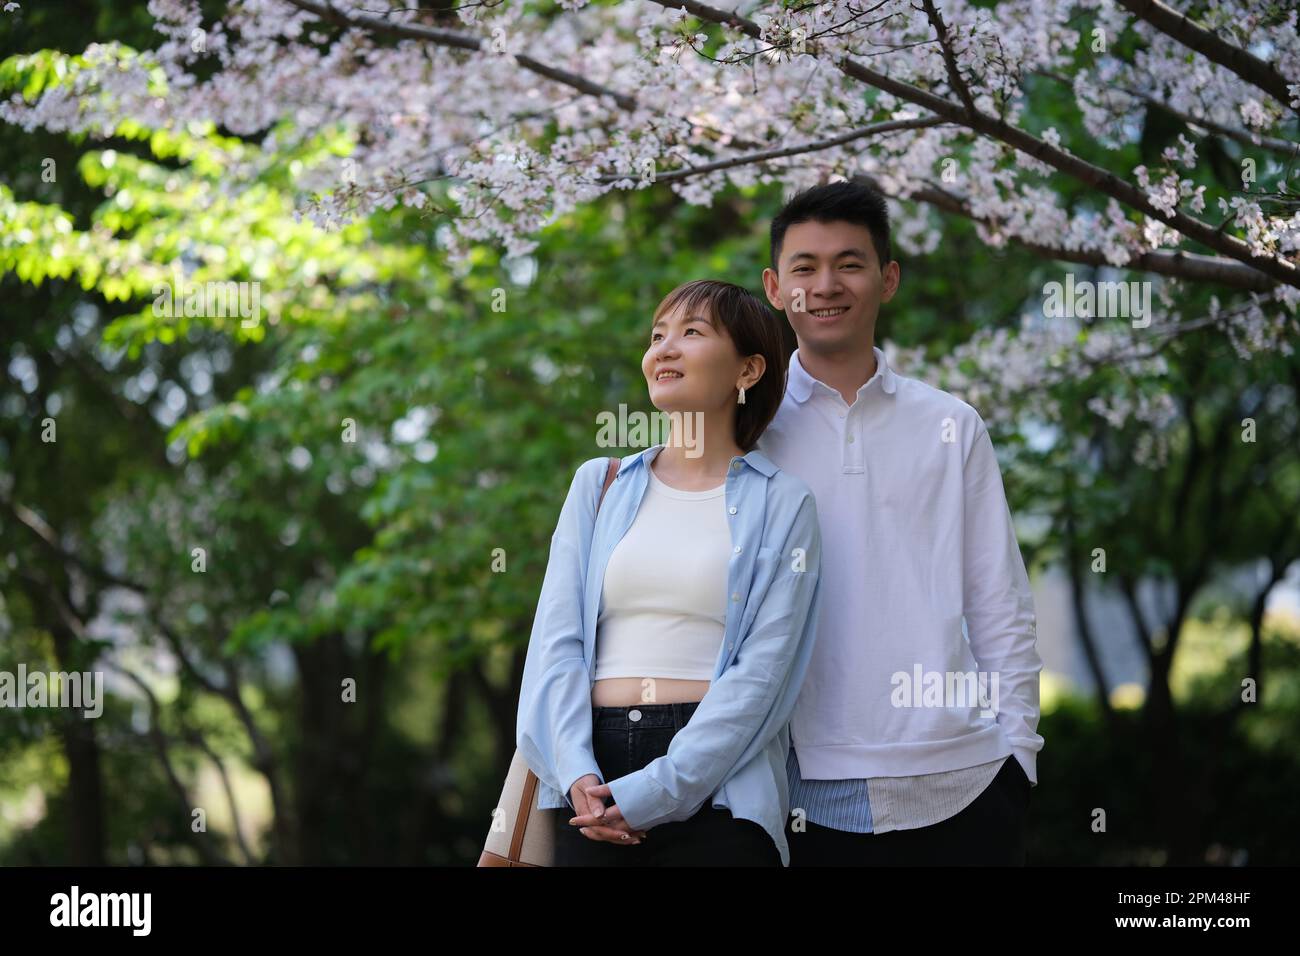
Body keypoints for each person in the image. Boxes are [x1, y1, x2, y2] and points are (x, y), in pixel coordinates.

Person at [756, 179, 1044, 866]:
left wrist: (1020, 754)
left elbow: (999, 599)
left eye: (849, 263)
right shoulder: (748, 430)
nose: (827, 285)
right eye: (805, 267)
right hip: (797, 785)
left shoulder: (951, 424)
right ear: (774, 287)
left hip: (964, 782)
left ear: (888, 279)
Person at [515, 279, 824, 866]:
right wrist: (577, 770)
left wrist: (657, 790)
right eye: (657, 336)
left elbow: (764, 676)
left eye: (692, 333)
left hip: (719, 783)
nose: (665, 349)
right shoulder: (598, 485)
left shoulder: (785, 503)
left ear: (749, 370)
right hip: (590, 779)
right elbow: (555, 645)